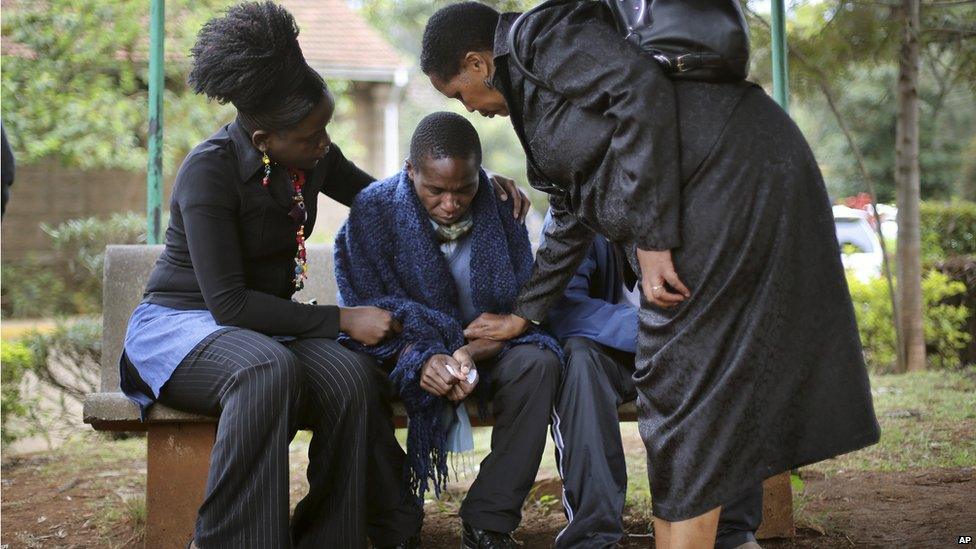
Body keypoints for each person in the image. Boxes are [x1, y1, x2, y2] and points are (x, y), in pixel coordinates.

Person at [420, 3, 881, 548]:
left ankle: (727, 533)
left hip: (727, 179)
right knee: (690, 386)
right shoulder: (532, 89)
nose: (468, 109)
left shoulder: (540, 37)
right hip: (711, 187)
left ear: (476, 64)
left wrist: (654, 237)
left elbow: (640, 88)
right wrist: (524, 315)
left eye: (457, 95)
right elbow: (573, 207)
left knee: (680, 383)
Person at [118, 4, 530, 547]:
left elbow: (392, 199)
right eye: (313, 136)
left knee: (352, 378)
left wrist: (477, 185)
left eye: (325, 131)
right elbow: (229, 306)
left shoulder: (307, 157)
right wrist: (342, 317)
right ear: (264, 139)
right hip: (182, 327)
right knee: (266, 372)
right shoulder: (209, 172)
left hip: (260, 331)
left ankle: (329, 536)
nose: (324, 146)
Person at [335, 111, 562, 549]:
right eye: (435, 189)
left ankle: (488, 521)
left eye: (464, 188)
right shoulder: (371, 213)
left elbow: (521, 305)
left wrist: (472, 353)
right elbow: (366, 309)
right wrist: (419, 358)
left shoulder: (503, 207)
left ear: (482, 174)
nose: (451, 203)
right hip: (400, 351)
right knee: (352, 378)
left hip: (485, 349)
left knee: (540, 363)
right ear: (410, 171)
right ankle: (395, 524)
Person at [547, 233, 763, 549]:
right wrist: (647, 329)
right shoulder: (576, 209)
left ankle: (729, 531)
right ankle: (592, 536)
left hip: (684, 345)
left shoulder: (698, 208)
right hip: (609, 350)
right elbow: (565, 307)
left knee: (728, 355)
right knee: (578, 362)